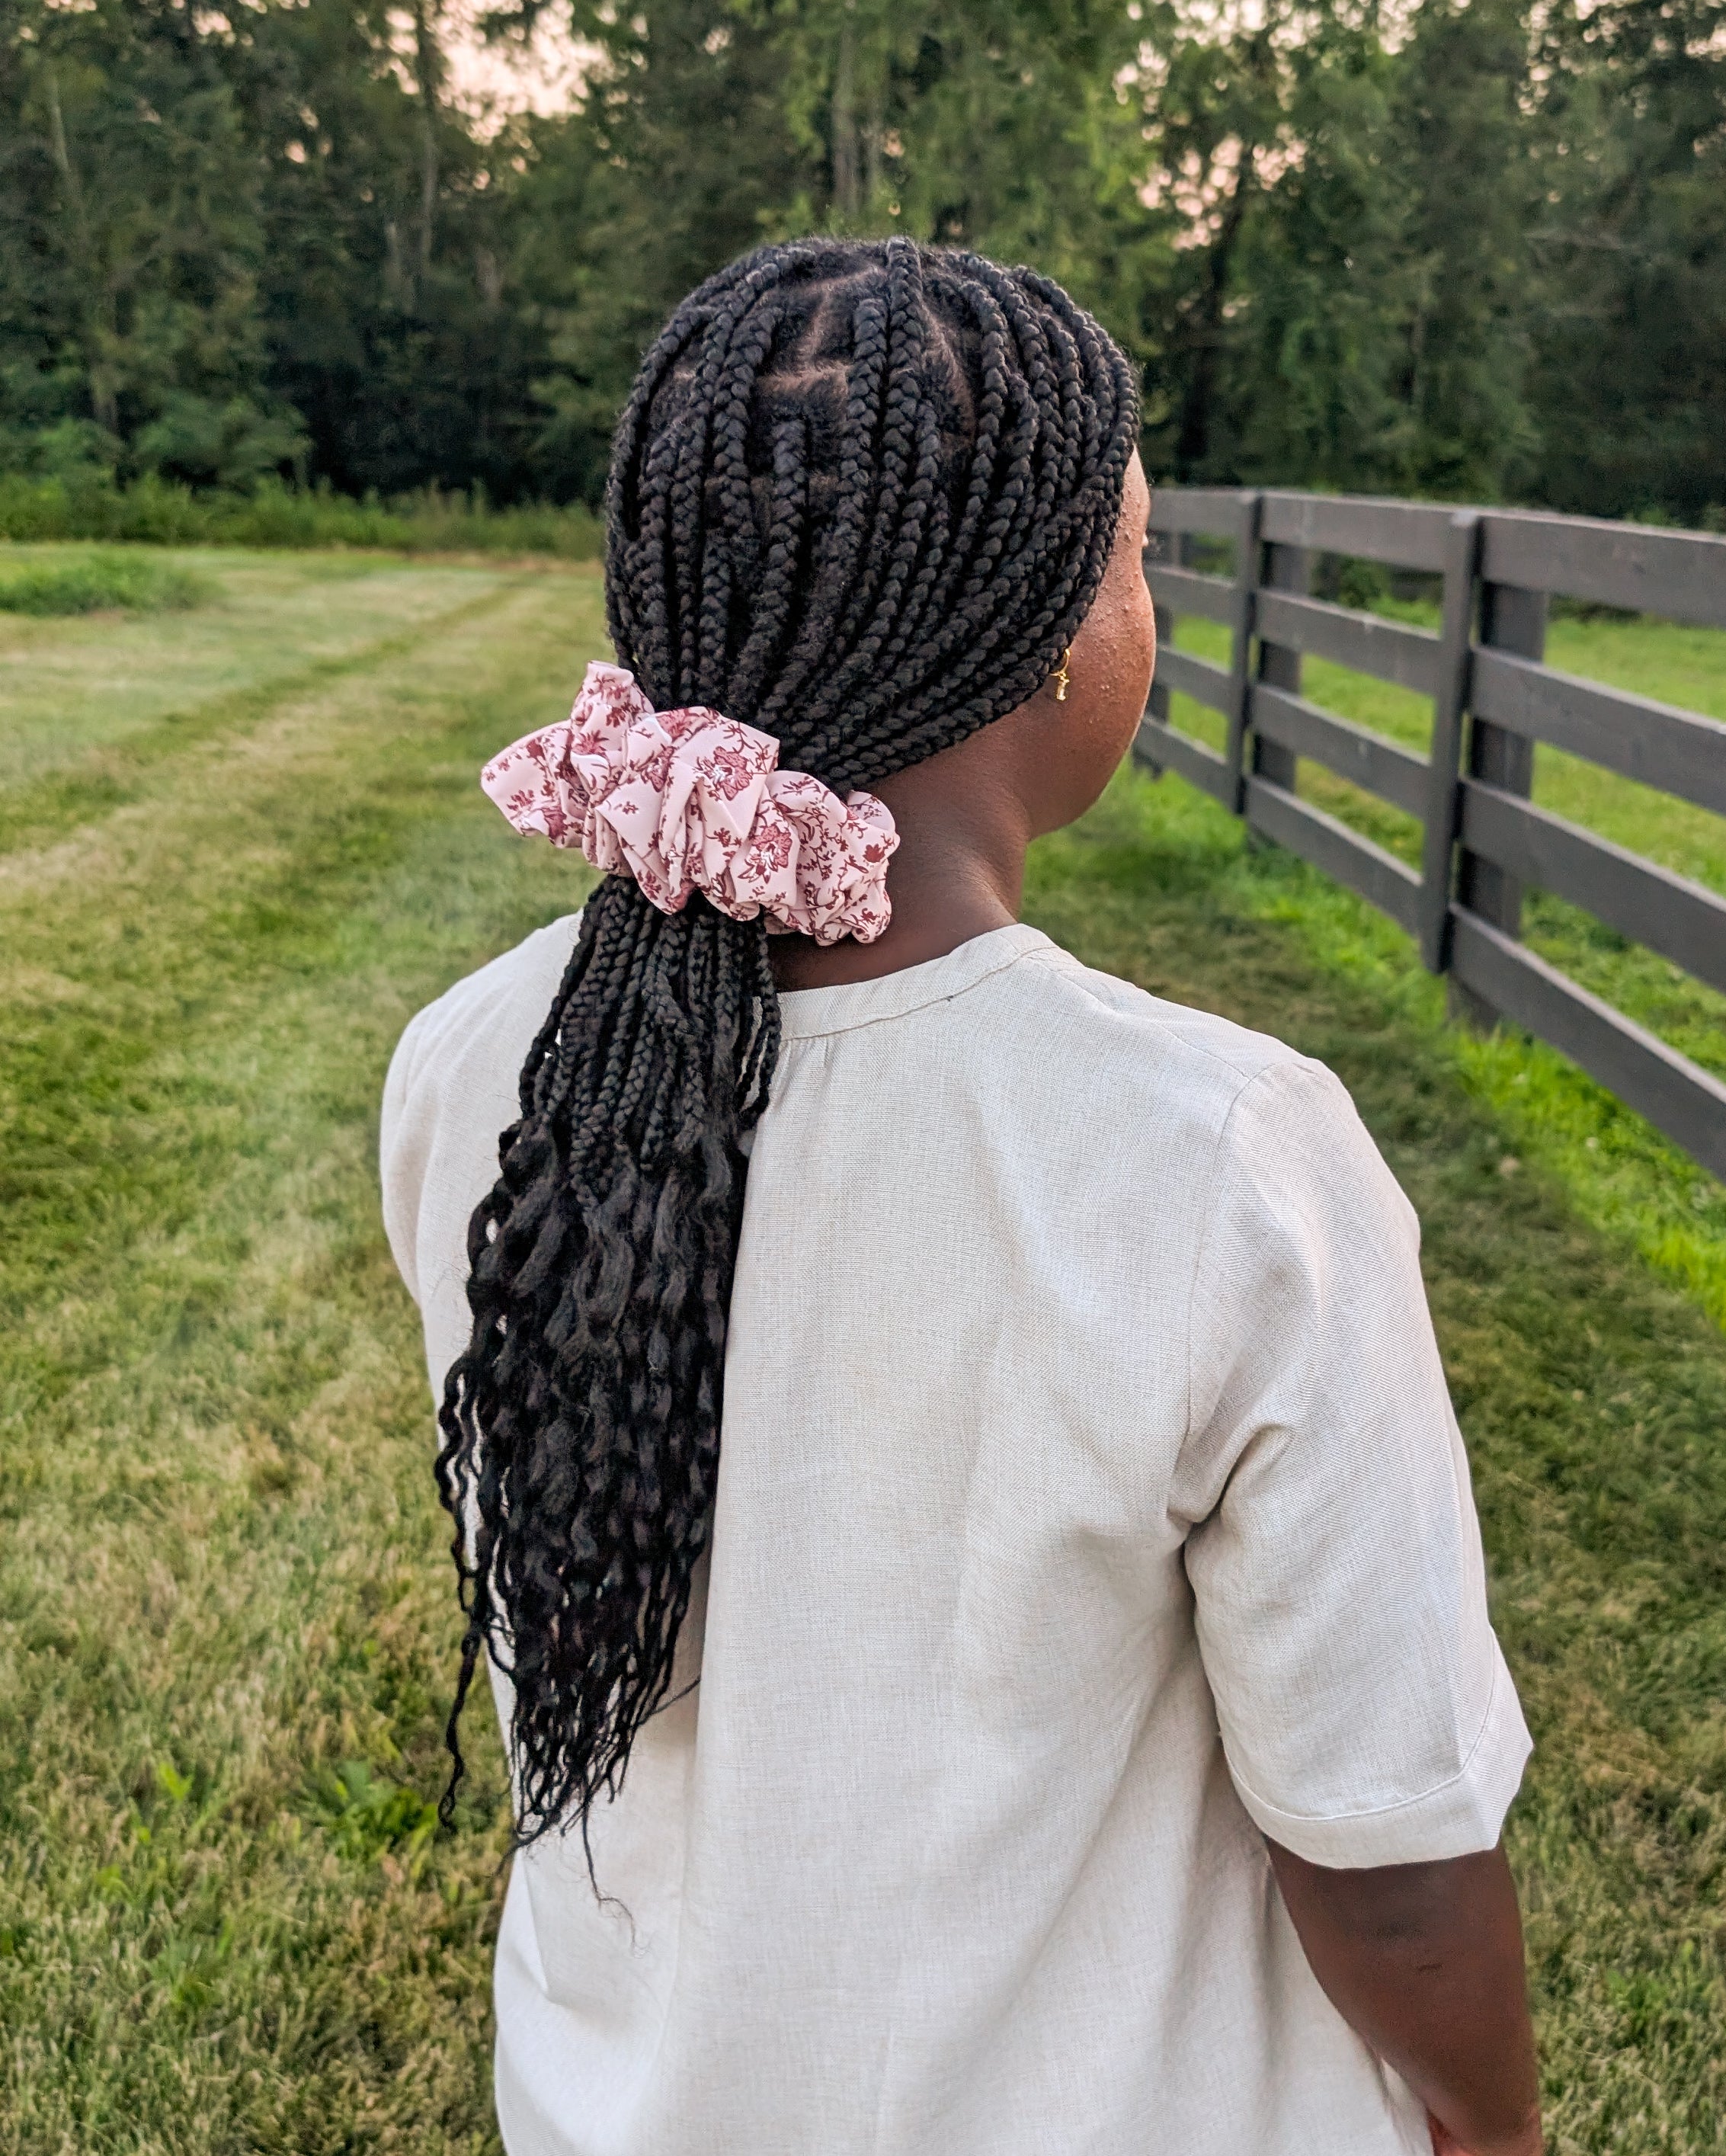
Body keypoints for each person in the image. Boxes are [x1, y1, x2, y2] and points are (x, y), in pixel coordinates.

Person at [380, 238, 1542, 2156]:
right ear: (1053, 636)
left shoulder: (475, 1059)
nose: (1142, 606)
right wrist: (1492, 2132)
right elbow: (1391, 1848)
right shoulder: (1220, 1158)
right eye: (1132, 556)